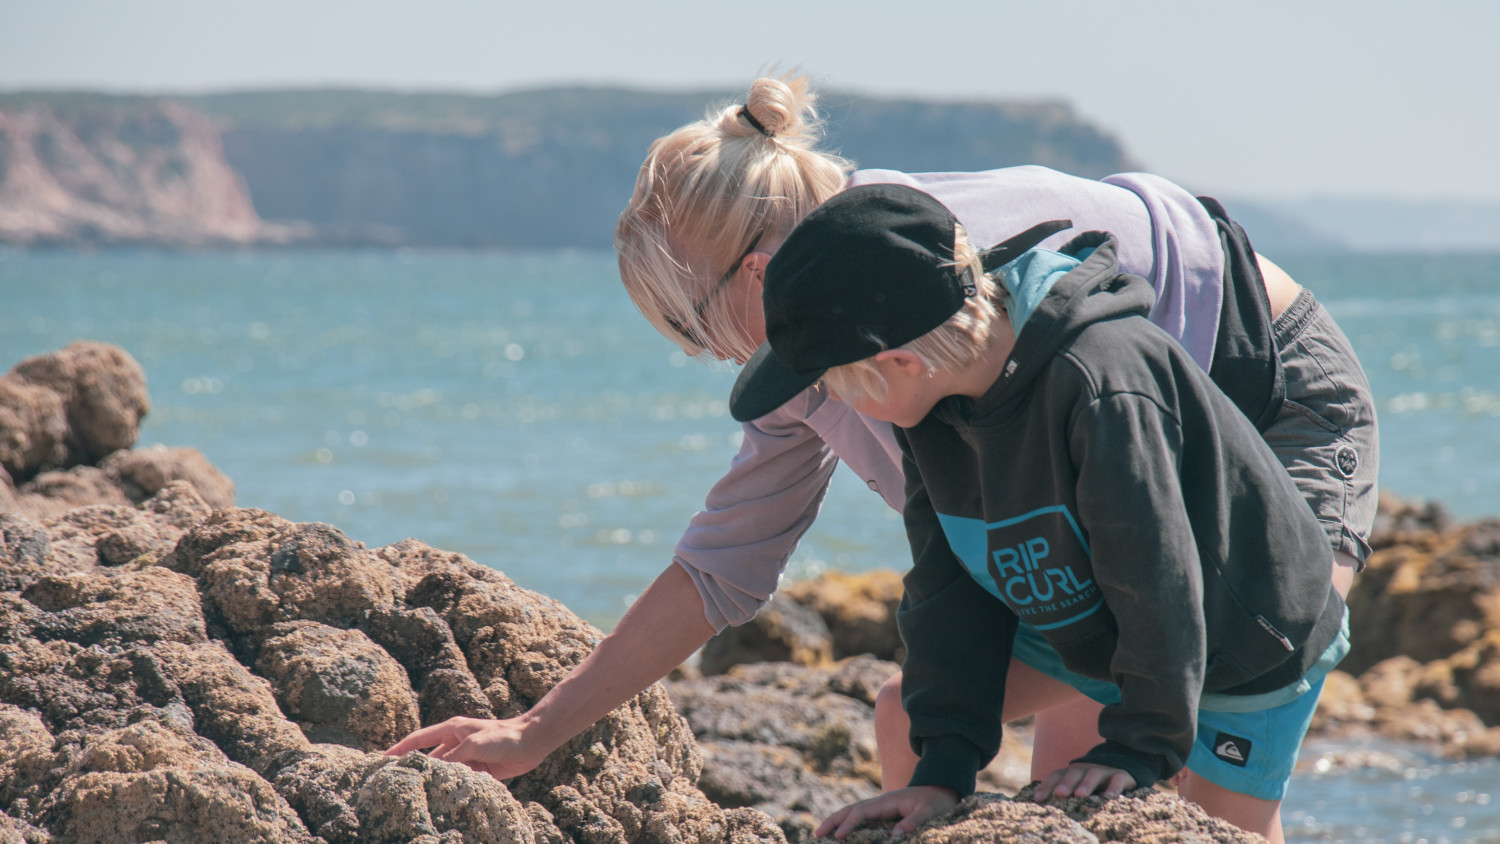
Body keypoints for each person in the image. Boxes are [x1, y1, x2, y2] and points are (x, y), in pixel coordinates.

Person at [387, 74, 1378, 835]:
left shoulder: (944, 290)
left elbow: (1146, 540)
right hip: (1104, 506)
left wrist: (1148, 735)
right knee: (938, 722)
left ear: (759, 277)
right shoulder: (831, 345)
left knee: (1201, 773)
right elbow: (726, 565)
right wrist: (535, 731)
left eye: (698, 329)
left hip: (1258, 389)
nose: (718, 358)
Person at [725, 183, 1350, 841]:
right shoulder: (933, 406)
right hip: (1099, 618)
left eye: (833, 387)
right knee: (908, 718)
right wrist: (943, 766)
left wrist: (1139, 747)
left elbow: (1156, 576)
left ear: (900, 361)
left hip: (1248, 638)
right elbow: (947, 589)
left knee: (1222, 832)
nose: (837, 405)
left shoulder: (1102, 383)